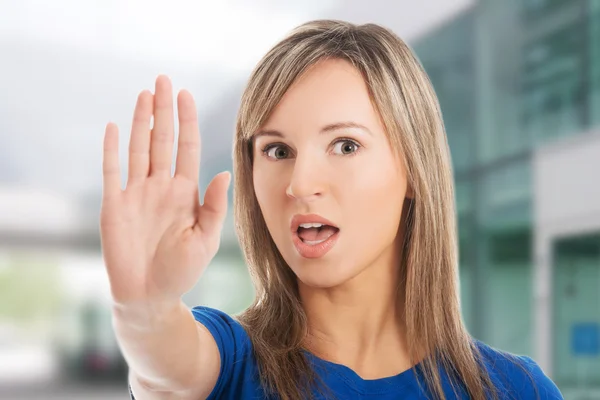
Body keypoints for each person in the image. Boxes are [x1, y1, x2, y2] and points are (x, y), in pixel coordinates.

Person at [100, 20, 563, 400]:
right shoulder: (230, 364)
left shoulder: (517, 390)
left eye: (345, 145)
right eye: (277, 151)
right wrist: (145, 308)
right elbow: (165, 366)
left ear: (414, 170)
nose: (300, 184)